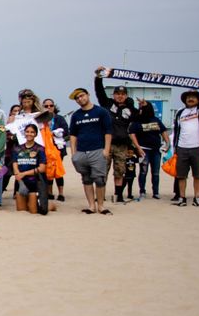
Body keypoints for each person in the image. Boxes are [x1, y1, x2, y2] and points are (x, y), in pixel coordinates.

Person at [94, 70, 141, 204]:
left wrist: (144, 106)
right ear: (113, 95)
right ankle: (100, 195)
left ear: (126, 96)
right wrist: (98, 77)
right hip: (107, 144)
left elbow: (144, 117)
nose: (120, 96)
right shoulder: (107, 104)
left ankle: (118, 195)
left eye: (123, 94)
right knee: (103, 170)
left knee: (120, 171)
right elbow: (99, 91)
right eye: (117, 94)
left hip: (122, 145)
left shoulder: (131, 109)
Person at [67, 87, 113, 215]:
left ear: (88, 95)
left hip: (98, 149)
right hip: (81, 151)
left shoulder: (101, 112)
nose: (80, 99)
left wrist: (106, 150)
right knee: (86, 179)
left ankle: (101, 206)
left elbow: (108, 131)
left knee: (99, 179)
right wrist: (73, 153)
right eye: (77, 98)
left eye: (81, 96)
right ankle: (91, 205)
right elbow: (73, 135)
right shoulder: (76, 115)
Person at [128, 100, 169, 200]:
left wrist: (167, 143)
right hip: (143, 150)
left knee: (155, 172)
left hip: (156, 150)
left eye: (144, 106)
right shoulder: (137, 121)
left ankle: (156, 192)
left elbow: (163, 131)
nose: (142, 108)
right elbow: (132, 134)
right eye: (140, 107)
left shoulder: (155, 120)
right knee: (143, 171)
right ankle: (142, 191)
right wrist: (138, 147)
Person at [12, 124, 47, 213]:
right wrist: (17, 174)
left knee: (33, 211)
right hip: (21, 183)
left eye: (32, 132)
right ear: (24, 133)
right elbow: (14, 163)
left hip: (34, 183)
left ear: (35, 134)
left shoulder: (40, 149)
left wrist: (24, 173)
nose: (29, 134)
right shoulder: (18, 148)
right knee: (21, 210)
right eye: (27, 132)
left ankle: (50, 206)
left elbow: (42, 168)